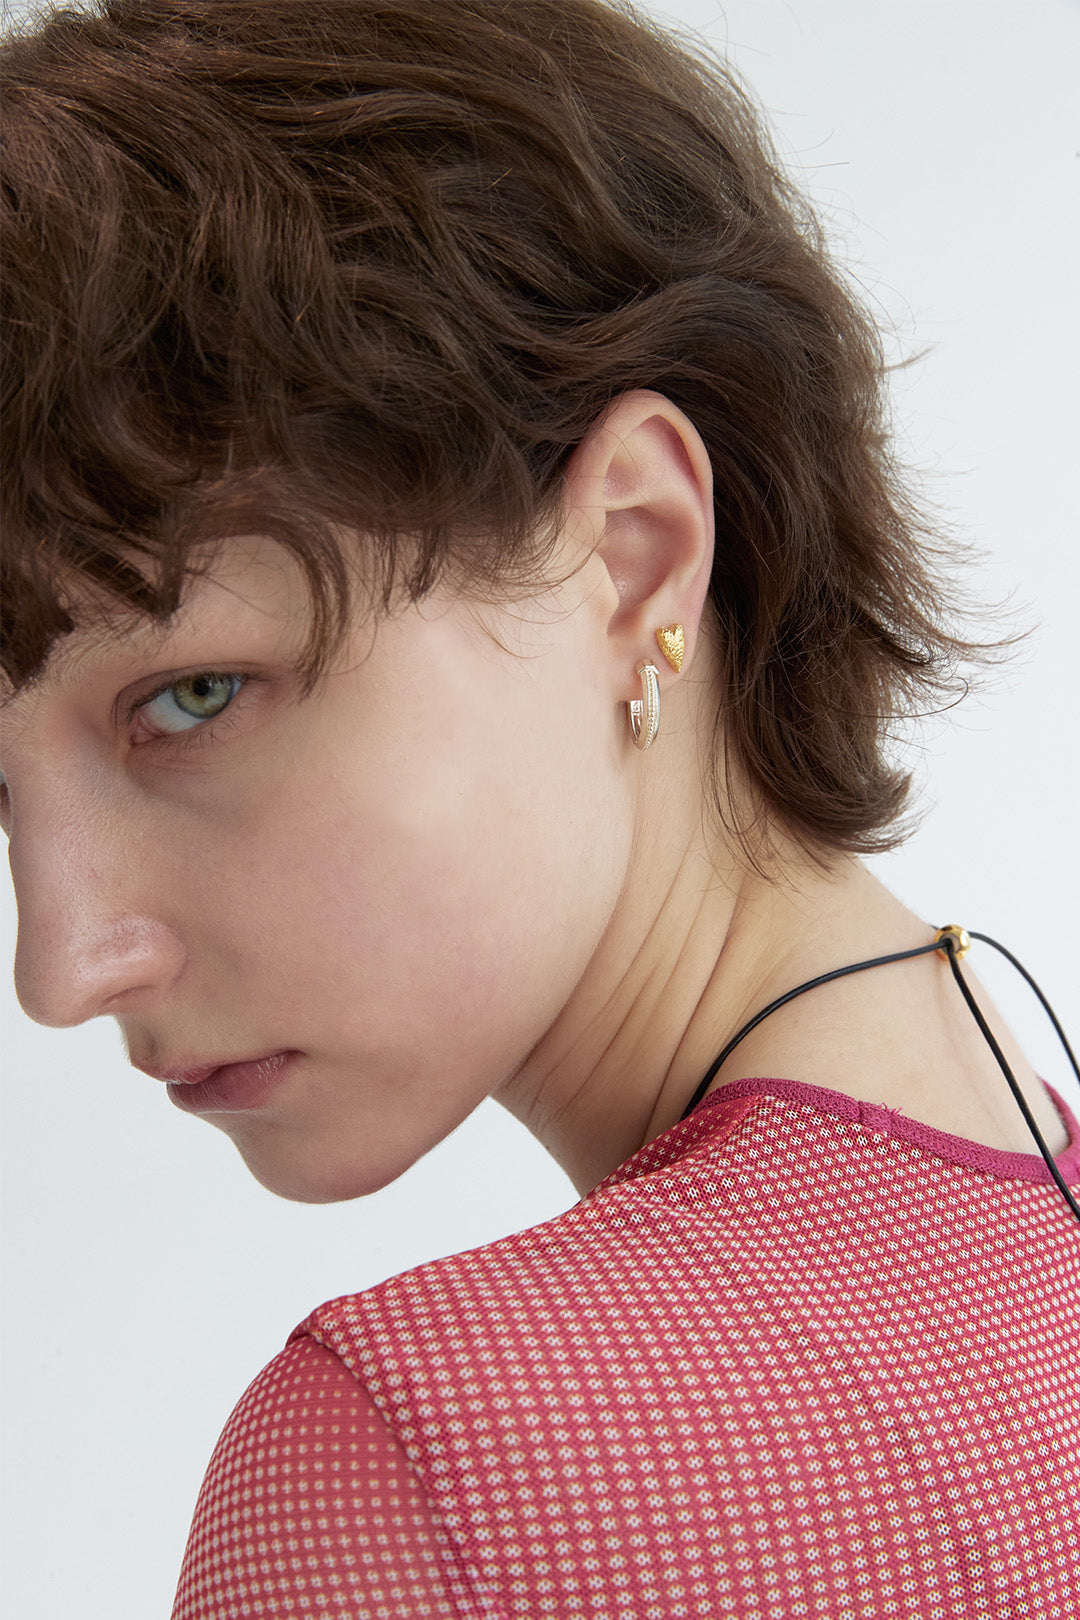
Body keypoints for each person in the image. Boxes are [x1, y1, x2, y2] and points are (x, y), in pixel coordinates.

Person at [2, 0, 1077, 1615]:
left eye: (192, 695)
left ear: (632, 555)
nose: (63, 965)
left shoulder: (432, 1465)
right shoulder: (1035, 1223)